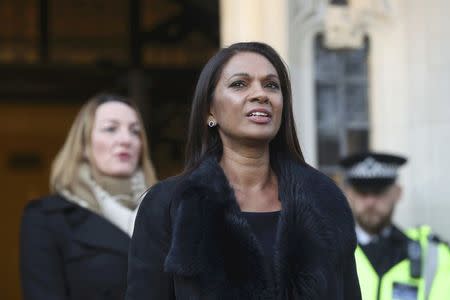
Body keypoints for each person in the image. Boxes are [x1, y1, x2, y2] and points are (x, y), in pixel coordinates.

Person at [126, 42, 361, 299]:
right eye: (240, 84)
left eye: (271, 85)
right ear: (209, 110)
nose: (261, 94)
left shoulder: (325, 200)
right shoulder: (168, 204)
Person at [20, 93, 157, 300]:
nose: (126, 139)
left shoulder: (167, 213)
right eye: (111, 128)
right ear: (83, 146)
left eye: (135, 131)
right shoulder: (47, 218)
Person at [339, 152, 450, 300]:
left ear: (398, 193)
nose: (371, 202)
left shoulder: (431, 254)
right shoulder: (330, 251)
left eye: (379, 192)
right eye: (362, 192)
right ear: (348, 193)